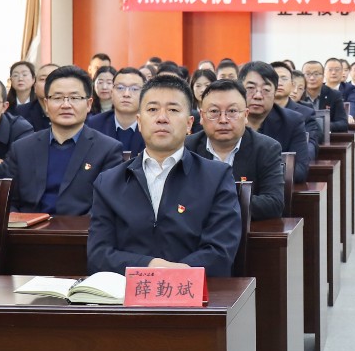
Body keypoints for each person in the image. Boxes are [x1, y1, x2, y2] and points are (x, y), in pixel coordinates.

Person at [87, 74, 242, 277]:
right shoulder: (108, 182)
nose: (162, 118)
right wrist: (149, 266)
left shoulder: (217, 177)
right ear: (139, 122)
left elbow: (220, 251)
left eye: (173, 110)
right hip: (127, 292)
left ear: (189, 123)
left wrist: (174, 274)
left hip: (195, 292)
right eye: (152, 109)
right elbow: (98, 254)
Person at [2, 65, 126, 215]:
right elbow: (8, 200)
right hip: (28, 227)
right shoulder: (22, 148)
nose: (66, 105)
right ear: (46, 104)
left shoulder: (108, 150)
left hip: (82, 228)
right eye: (58, 98)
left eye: (74, 98)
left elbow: (107, 205)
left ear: (88, 104)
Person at [185, 79, 285, 220]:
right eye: (214, 111)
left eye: (232, 111)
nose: (223, 120)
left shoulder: (266, 148)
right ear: (201, 116)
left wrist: (217, 201)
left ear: (245, 115)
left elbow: (274, 203)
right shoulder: (187, 148)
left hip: (244, 230)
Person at [241, 61, 314, 184]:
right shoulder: (225, 119)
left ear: (275, 92)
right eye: (250, 88)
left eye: (266, 89)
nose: (258, 95)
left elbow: (300, 170)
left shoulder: (292, 122)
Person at [86, 66, 147, 154]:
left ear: (144, 94)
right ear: (112, 92)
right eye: (120, 88)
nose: (126, 94)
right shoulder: (94, 124)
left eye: (134, 89)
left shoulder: (152, 126)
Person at [302, 59, 350, 132]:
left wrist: (321, 126)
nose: (312, 78)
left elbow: (343, 124)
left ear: (323, 75)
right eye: (307, 74)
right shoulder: (297, 95)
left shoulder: (334, 95)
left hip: (326, 137)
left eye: (316, 74)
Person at [6, 61, 45, 130]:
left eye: (24, 75)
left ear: (33, 79)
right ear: (11, 80)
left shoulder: (41, 104)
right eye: (15, 75)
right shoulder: (6, 106)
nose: (20, 79)